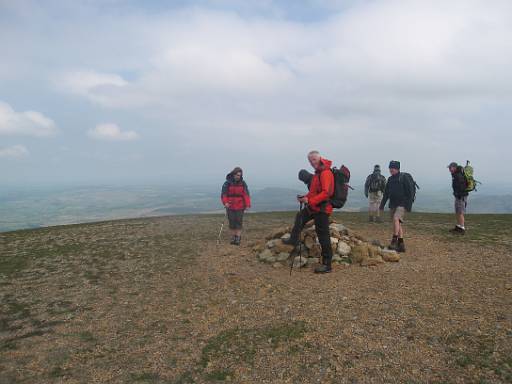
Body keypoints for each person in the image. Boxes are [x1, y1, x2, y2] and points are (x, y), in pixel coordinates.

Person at [283, 151, 334, 274]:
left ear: (319, 158)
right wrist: (304, 197)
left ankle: (327, 264)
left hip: (322, 209)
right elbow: (313, 193)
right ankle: (293, 239)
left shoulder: (325, 172)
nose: (312, 163)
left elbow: (326, 193)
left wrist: (309, 200)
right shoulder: (318, 173)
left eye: (314, 160)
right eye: (310, 161)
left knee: (323, 235)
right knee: (300, 216)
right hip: (314, 206)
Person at [379, 161, 413, 253]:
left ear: (397, 169)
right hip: (393, 204)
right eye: (390, 168)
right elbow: (386, 193)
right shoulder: (390, 179)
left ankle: (394, 240)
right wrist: (382, 205)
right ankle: (401, 244)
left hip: (402, 204)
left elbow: (410, 192)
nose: (391, 170)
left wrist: (408, 205)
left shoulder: (403, 178)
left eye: (393, 168)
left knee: (395, 218)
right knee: (397, 223)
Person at [221, 167, 251, 245]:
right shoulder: (227, 183)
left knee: (238, 221)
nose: (238, 176)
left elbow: (246, 194)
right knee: (232, 222)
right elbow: (224, 194)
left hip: (240, 206)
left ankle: (238, 237)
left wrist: (247, 205)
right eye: (237, 175)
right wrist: (225, 203)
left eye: (240, 175)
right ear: (233, 174)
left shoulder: (243, 183)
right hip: (230, 205)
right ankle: (233, 237)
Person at [448, 162, 468, 234]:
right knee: (458, 211)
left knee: (460, 212)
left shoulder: (458, 175)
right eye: (449, 168)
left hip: (461, 196)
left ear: (454, 167)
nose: (449, 169)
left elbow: (461, 186)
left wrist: (459, 194)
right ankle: (459, 226)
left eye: (450, 168)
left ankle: (462, 228)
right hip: (458, 196)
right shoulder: (456, 174)